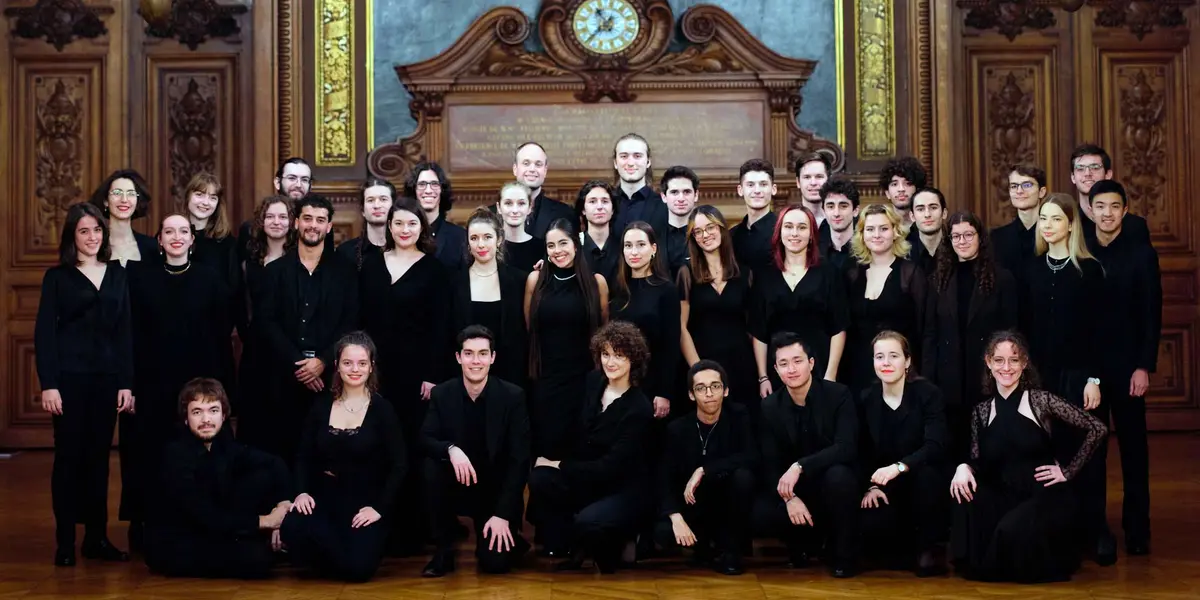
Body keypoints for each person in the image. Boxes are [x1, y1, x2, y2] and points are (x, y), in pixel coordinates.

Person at [950, 330, 1107, 583]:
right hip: (1004, 493)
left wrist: (1067, 472)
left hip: (1042, 494)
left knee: (1009, 531)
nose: (1006, 367)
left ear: (1024, 364)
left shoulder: (1040, 401)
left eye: (1014, 360)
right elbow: (978, 460)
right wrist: (963, 467)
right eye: (999, 360)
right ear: (988, 363)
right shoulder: (981, 411)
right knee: (965, 497)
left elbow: (1097, 428)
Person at [123, 213, 237, 550]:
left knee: (199, 455)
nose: (176, 237)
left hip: (198, 385)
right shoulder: (139, 279)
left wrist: (224, 390)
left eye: (183, 232)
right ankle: (144, 525)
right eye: (168, 232)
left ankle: (199, 524)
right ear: (159, 240)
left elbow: (221, 339)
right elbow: (130, 335)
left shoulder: (211, 280)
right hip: (151, 384)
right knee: (149, 455)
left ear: (192, 240)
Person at [35, 202, 134, 566]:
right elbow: (45, 333)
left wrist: (126, 382)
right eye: (84, 231)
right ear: (72, 236)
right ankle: (65, 542)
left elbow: (125, 332)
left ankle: (96, 538)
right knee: (68, 459)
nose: (92, 238)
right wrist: (49, 384)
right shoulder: (57, 277)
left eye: (97, 231)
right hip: (69, 381)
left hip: (107, 381)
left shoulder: (117, 275)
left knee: (98, 461)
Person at [357, 196, 452, 552]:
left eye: (412, 224)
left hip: (417, 376)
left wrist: (433, 374)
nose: (405, 229)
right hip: (374, 372)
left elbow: (441, 328)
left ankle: (415, 528)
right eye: (399, 223)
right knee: (378, 445)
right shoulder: (370, 265)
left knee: (411, 446)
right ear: (389, 226)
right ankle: (381, 524)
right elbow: (360, 318)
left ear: (421, 228)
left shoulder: (434, 270)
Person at [1021, 193, 1111, 562]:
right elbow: (1025, 329)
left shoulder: (1090, 270)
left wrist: (1095, 379)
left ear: (1071, 224)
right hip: (1043, 379)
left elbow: (1101, 332)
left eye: (1056, 218)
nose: (1048, 224)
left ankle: (1096, 530)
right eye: (1044, 218)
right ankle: (1061, 531)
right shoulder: (1032, 270)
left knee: (1087, 452)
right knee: (1050, 452)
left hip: (1079, 377)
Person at [528, 321, 654, 573]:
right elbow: (578, 434)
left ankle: (621, 542)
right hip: (589, 477)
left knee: (589, 524)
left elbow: (611, 467)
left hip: (621, 488)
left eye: (619, 356)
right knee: (541, 479)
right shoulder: (593, 381)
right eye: (606, 354)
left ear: (633, 360)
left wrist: (560, 465)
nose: (610, 362)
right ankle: (576, 545)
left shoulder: (639, 407)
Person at [281, 332, 406, 582]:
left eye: (362, 363)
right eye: (348, 363)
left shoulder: (383, 410)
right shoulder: (321, 405)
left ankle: (339, 559)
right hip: (325, 495)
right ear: (337, 366)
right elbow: (304, 456)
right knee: (291, 528)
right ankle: (337, 557)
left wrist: (379, 508)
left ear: (371, 367)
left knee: (359, 570)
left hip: (364, 502)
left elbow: (400, 465)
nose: (355, 369)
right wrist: (302, 492)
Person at [144, 378, 292, 578]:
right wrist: (266, 521)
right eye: (197, 412)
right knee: (259, 559)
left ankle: (252, 540)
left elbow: (275, 463)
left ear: (223, 416)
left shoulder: (222, 444)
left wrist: (282, 506)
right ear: (186, 418)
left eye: (213, 411)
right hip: (177, 541)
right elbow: (206, 516)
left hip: (213, 529)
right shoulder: (175, 455)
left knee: (263, 474)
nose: (206, 420)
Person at [1086, 180, 1162, 556]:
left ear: (1125, 211)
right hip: (1090, 373)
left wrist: (1143, 366)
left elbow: (1151, 315)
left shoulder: (1142, 254)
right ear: (1090, 209)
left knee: (1134, 450)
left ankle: (1137, 530)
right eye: (1100, 206)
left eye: (1114, 207)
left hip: (1128, 367)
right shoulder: (1082, 252)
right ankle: (1096, 530)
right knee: (1092, 450)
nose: (1107, 213)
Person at [420, 325, 532, 577]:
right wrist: (451, 449)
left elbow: (519, 460)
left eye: (483, 353)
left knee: (495, 565)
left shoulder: (513, 396)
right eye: (469, 354)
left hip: (494, 494)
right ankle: (444, 549)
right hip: (457, 486)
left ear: (493, 357)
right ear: (458, 357)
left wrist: (502, 514)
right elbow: (425, 437)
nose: (476, 361)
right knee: (431, 468)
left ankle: (510, 536)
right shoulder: (442, 394)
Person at [257, 194, 359, 465]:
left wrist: (323, 362)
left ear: (329, 227)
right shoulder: (274, 272)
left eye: (320, 220)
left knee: (326, 456)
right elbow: (266, 323)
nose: (313, 225)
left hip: (331, 379)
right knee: (283, 452)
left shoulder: (347, 272)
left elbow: (350, 323)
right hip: (283, 378)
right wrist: (300, 366)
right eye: (307, 219)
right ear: (296, 223)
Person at [752, 332, 859, 577]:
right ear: (776, 370)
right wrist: (790, 499)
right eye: (783, 364)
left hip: (830, 485)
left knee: (839, 476)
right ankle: (801, 544)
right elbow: (769, 464)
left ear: (811, 363)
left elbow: (846, 447)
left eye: (798, 361)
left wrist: (800, 466)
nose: (791, 369)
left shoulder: (838, 395)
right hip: (795, 490)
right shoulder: (769, 407)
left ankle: (843, 556)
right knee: (758, 512)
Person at [922, 211, 1018, 462]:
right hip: (948, 381)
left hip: (988, 378)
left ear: (980, 238)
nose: (962, 241)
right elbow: (930, 334)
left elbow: (1010, 333)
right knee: (952, 451)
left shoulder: (1002, 279)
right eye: (955, 236)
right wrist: (928, 380)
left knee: (988, 451)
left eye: (968, 235)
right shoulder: (937, 280)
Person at [856, 331, 948, 576]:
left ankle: (927, 551)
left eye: (893, 356)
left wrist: (899, 467)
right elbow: (861, 451)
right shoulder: (866, 399)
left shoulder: (928, 394)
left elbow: (935, 446)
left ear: (907, 361)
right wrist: (871, 486)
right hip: (885, 487)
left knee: (927, 476)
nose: (885, 363)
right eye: (879, 357)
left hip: (921, 481)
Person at [655, 360, 757, 575]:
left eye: (715, 386)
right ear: (692, 395)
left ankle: (731, 554)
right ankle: (702, 548)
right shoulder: (677, 429)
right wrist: (675, 516)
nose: (709, 393)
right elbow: (664, 477)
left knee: (743, 477)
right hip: (694, 506)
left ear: (726, 390)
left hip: (729, 505)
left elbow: (751, 456)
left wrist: (704, 470)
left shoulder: (739, 417)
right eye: (701, 388)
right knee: (662, 532)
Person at [524, 218, 609, 459]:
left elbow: (603, 332)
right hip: (545, 380)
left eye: (563, 243)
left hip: (583, 380)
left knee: (580, 450)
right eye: (551, 246)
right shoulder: (535, 281)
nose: (557, 250)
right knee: (546, 449)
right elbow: (530, 329)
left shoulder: (596, 283)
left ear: (575, 244)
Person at [750, 204, 849, 394]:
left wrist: (831, 374)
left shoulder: (829, 273)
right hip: (778, 373)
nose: (794, 233)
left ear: (812, 234)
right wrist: (763, 377)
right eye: (788, 227)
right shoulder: (765, 275)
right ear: (779, 232)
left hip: (820, 370)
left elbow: (839, 328)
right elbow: (758, 331)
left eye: (802, 227)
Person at [678, 206, 758, 419]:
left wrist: (762, 375)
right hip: (703, 363)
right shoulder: (687, 274)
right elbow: (682, 328)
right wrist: (698, 371)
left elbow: (753, 328)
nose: (705, 235)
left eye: (710, 227)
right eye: (698, 231)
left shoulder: (745, 273)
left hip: (742, 365)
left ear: (722, 228)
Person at [843, 204, 927, 394]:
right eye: (870, 229)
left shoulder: (911, 273)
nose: (877, 235)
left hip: (899, 373)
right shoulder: (852, 274)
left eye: (884, 228)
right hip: (858, 372)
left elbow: (924, 328)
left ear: (895, 232)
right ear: (862, 234)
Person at [234, 196, 295, 452]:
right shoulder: (250, 262)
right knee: (255, 423)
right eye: (270, 216)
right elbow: (242, 306)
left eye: (283, 217)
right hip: (256, 352)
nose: (276, 222)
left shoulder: (300, 260)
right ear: (261, 221)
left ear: (292, 222)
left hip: (290, 351)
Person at [610, 221, 681, 420]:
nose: (634, 251)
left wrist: (664, 392)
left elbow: (671, 345)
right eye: (628, 245)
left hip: (653, 384)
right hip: (619, 383)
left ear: (653, 248)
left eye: (641, 245)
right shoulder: (617, 288)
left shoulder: (666, 290)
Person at [451, 208, 529, 387]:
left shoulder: (520, 280)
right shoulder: (453, 283)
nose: (481, 244)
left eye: (487, 237)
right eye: (474, 238)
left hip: (511, 378)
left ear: (499, 239)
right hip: (464, 378)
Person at [236, 157, 314, 264]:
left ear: (310, 187)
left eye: (304, 180)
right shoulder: (250, 229)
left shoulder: (316, 228)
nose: (298, 185)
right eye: (292, 178)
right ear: (277, 182)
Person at [1069, 143, 1150, 245]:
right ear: (1073, 177)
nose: (1087, 173)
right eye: (1080, 168)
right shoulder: (1068, 223)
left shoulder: (1135, 226)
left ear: (1108, 174)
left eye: (1095, 167)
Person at [178, 172, 239, 291]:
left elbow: (233, 289)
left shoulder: (226, 242)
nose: (205, 203)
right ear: (188, 196)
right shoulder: (170, 234)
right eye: (199, 194)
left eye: (212, 197)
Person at [405, 160, 466, 271]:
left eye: (434, 184)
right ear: (413, 190)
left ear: (442, 190)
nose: (428, 190)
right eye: (422, 184)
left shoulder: (460, 236)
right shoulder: (403, 234)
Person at [87, 169, 157, 266]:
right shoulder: (92, 244)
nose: (124, 200)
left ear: (137, 202)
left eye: (131, 194)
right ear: (106, 201)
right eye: (117, 193)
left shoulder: (152, 246)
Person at [991, 164, 1047, 279]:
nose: (1019, 191)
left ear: (1041, 192)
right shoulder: (996, 238)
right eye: (1014, 186)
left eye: (1027, 185)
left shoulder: (1053, 235)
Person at [610, 133, 668, 240]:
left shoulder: (665, 206)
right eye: (624, 156)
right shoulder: (604, 205)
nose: (631, 163)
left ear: (648, 162)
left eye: (637, 156)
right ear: (615, 163)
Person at [513, 141, 574, 238]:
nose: (532, 169)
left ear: (545, 170)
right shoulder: (493, 213)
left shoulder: (565, 213)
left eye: (538, 164)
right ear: (515, 169)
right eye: (526, 163)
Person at [730, 158, 779, 273]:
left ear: (773, 189)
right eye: (750, 185)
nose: (757, 190)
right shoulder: (731, 236)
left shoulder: (784, 231)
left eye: (763, 184)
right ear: (740, 190)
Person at [337, 176, 395, 270]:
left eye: (383, 199)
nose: (377, 205)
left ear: (394, 207)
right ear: (363, 210)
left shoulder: (406, 250)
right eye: (370, 200)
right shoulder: (345, 252)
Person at [576, 180, 621, 283]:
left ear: (613, 209)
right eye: (592, 201)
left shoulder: (623, 245)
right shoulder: (574, 246)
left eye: (605, 201)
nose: (599, 207)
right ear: (583, 209)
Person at [496, 181, 543, 273]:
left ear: (530, 207)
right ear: (499, 208)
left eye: (521, 203)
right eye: (508, 203)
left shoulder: (542, 248)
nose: (515, 210)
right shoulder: (490, 246)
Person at [816, 176, 860, 275]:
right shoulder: (815, 252)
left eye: (843, 206)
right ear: (823, 211)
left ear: (855, 211)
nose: (836, 213)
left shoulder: (867, 251)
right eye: (830, 206)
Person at [661, 166, 699, 274]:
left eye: (686, 192)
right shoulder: (653, 235)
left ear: (696, 195)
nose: (681, 198)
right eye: (674, 192)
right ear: (664, 197)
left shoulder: (708, 236)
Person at [879, 156, 927, 233]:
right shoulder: (880, 227)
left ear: (917, 189)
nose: (901, 189)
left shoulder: (927, 224)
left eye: (907, 183)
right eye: (894, 184)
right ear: (887, 193)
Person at [907, 187, 946, 275]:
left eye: (933, 208)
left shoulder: (958, 248)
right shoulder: (904, 254)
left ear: (944, 213)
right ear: (912, 216)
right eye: (920, 209)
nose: (927, 214)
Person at [795, 152, 832, 230]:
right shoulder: (788, 222)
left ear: (829, 180)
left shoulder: (840, 222)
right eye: (807, 177)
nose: (813, 183)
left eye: (819, 176)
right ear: (798, 182)